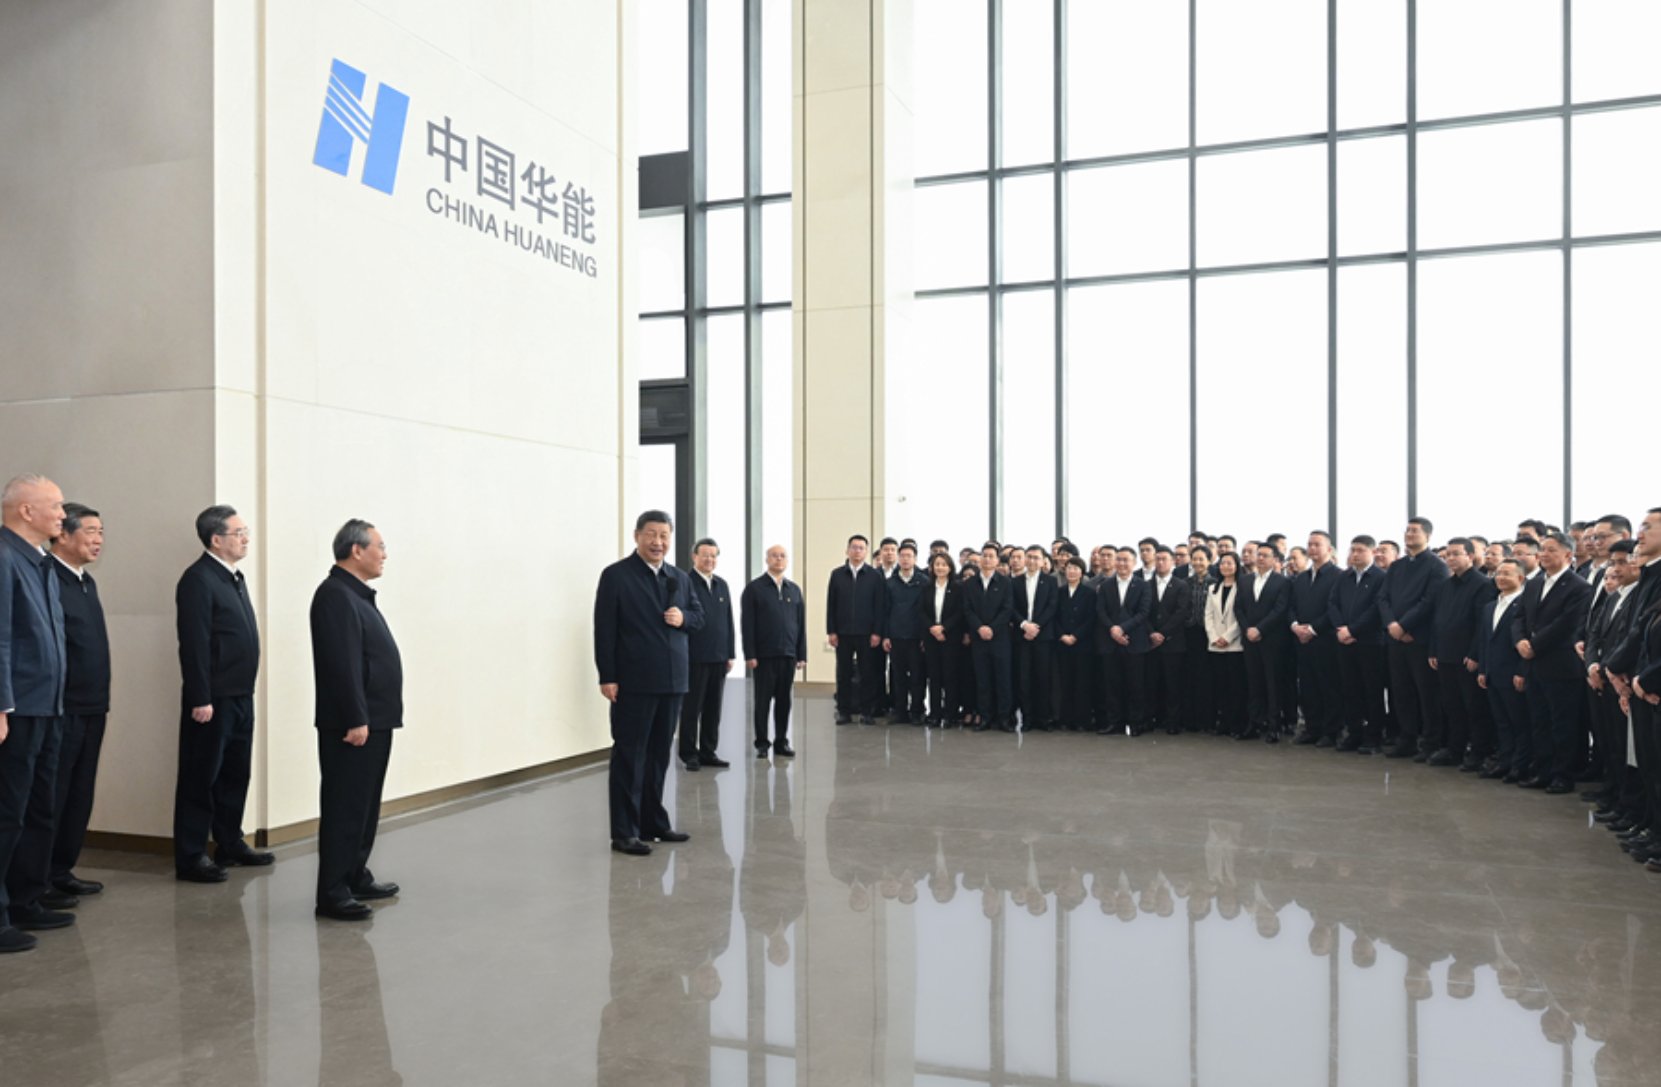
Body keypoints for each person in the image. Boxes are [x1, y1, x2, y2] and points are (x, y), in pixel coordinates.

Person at [594, 511, 705, 856]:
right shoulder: (616, 576)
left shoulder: (679, 578)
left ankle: (653, 822)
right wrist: (608, 675)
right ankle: (624, 832)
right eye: (651, 534)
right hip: (634, 681)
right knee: (630, 756)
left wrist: (683, 617)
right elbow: (604, 629)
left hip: (673, 681)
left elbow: (699, 617)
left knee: (658, 756)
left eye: (664, 535)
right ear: (637, 536)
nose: (658, 542)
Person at [308, 520, 403, 921]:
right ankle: (332, 893)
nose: (385, 554)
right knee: (345, 807)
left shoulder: (356, 594)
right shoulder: (335, 595)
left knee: (364, 806)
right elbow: (342, 664)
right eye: (380, 546)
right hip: (354, 724)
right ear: (356, 550)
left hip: (374, 719)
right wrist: (355, 717)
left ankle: (354, 874)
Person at [173, 504, 271, 883]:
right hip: (212, 699)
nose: (245, 538)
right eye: (238, 532)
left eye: (246, 531)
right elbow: (194, 643)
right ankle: (191, 855)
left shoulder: (233, 577)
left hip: (240, 694)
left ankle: (229, 842)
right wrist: (201, 697)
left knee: (235, 774)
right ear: (216, 539)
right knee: (201, 777)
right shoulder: (198, 579)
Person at [0, 474, 68, 951]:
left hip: (48, 707)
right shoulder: (4, 558)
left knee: (38, 808)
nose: (63, 514)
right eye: (56, 505)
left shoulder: (39, 561)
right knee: (7, 812)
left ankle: (26, 898)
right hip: (18, 710)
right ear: (26, 511)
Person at [45, 502, 110, 907]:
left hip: (93, 704)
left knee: (79, 793)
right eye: (90, 531)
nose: (98, 540)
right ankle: (38, 878)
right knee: (54, 794)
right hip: (62, 706)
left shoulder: (87, 582)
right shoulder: (48, 578)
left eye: (101, 532)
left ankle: (61, 869)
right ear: (62, 535)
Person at [1513, 531, 1592, 793]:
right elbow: (1519, 617)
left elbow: (1566, 624)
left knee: (1563, 724)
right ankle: (1543, 771)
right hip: (1533, 664)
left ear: (1568, 554)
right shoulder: (1534, 583)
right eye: (1542, 550)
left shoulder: (1579, 587)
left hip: (1561, 665)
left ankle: (1562, 775)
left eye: (1551, 550)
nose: (1543, 554)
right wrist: (1520, 641)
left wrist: (1534, 646)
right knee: (1539, 721)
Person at [1377, 517, 1449, 760]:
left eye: (1415, 531)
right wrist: (1392, 625)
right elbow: (1383, 598)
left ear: (1427, 535)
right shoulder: (1397, 566)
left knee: (1427, 694)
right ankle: (1406, 739)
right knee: (1401, 692)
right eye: (1407, 530)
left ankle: (1430, 742)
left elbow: (1429, 602)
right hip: (1395, 639)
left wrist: (1404, 625)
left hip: (1419, 639)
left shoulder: (1437, 566)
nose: (1409, 534)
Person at [1426, 538, 1496, 770]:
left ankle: (1478, 751)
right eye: (1448, 555)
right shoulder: (1445, 585)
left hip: (1467, 656)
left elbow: (1482, 623)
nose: (1451, 558)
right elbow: (1437, 620)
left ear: (1470, 556)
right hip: (1445, 654)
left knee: (1474, 707)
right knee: (1451, 705)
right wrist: (1433, 649)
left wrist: (1475, 654)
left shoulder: (1483, 584)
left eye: (1456, 554)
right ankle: (1454, 749)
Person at [740, 545, 807, 758]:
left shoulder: (794, 590)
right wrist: (750, 654)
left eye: (782, 556)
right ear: (767, 559)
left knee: (784, 701)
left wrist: (802, 654)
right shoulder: (754, 589)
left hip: (788, 654)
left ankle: (781, 741)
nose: (779, 559)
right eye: (774, 556)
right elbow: (747, 624)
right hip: (764, 656)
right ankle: (762, 743)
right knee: (763, 701)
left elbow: (800, 625)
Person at [679, 538, 734, 772]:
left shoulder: (722, 585)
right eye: (705, 555)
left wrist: (730, 653)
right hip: (695, 657)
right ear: (694, 557)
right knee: (692, 708)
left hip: (719, 657)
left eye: (713, 556)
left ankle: (708, 751)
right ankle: (689, 753)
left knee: (713, 708)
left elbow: (728, 621)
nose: (709, 560)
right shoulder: (685, 582)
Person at [1474, 559, 1531, 783]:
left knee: (1519, 723)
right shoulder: (1490, 606)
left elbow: (1526, 641)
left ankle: (1520, 766)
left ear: (1521, 578)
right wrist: (1483, 669)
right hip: (1493, 673)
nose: (1501, 578)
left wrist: (1522, 671)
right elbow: (1485, 640)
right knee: (1502, 722)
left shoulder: (1525, 604)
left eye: (1507, 574)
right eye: (1499, 573)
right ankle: (1505, 762)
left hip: (1513, 674)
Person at [1330, 535, 1387, 753]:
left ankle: (1373, 737)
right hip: (1344, 641)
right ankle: (1354, 733)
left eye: (1360, 550)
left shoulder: (1381, 577)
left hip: (1370, 642)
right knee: (1349, 688)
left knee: (1372, 690)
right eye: (1352, 550)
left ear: (1373, 552)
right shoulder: (1343, 577)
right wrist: (1341, 628)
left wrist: (1353, 630)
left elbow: (1376, 609)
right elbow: (1332, 603)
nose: (1355, 554)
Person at [825, 535, 885, 724]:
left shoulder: (875, 576)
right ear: (847, 550)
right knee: (843, 673)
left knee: (868, 673)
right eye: (854, 547)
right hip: (842, 633)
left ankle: (867, 711)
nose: (857, 551)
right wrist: (831, 631)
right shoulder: (837, 575)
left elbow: (879, 606)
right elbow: (831, 605)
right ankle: (844, 711)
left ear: (866, 552)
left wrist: (877, 632)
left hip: (867, 633)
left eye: (861, 548)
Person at [1289, 532, 1340, 746]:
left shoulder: (1338, 576)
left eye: (1317, 544)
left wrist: (1312, 629)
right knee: (1307, 687)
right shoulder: (1301, 578)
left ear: (1329, 549)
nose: (1312, 548)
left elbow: (1334, 608)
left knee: (1328, 686)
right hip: (1301, 640)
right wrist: (1295, 626)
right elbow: (1291, 606)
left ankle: (1331, 731)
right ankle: (1312, 728)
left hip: (1325, 640)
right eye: (1309, 544)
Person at [1095, 547, 1152, 736]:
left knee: (1136, 686)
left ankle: (1136, 723)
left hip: (1134, 642)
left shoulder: (1143, 585)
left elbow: (1143, 613)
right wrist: (1113, 629)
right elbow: (1101, 611)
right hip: (1110, 642)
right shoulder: (1106, 586)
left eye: (1126, 560)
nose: (1121, 563)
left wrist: (1122, 628)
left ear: (1134, 563)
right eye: (1118, 559)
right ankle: (1115, 723)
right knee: (1112, 685)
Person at [1239, 544, 1290, 743]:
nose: (1260, 558)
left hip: (1272, 640)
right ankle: (1254, 723)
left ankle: (1274, 726)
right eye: (1258, 555)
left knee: (1273, 684)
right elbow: (1238, 608)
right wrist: (1248, 629)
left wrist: (1260, 629)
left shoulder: (1282, 582)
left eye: (1265, 555)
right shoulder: (1245, 580)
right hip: (1249, 639)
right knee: (1254, 683)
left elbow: (1280, 609)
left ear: (1275, 559)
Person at [962, 542, 1015, 732]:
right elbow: (967, 609)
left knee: (1003, 679)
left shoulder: (1006, 583)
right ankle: (985, 717)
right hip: (978, 638)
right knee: (982, 679)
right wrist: (979, 628)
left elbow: (1007, 609)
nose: (987, 559)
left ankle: (1004, 718)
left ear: (997, 560)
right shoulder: (969, 584)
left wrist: (992, 628)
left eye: (991, 556)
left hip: (1000, 638)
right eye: (984, 555)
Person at [881, 544, 928, 724]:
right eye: (902, 556)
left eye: (909, 556)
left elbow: (927, 612)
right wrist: (886, 635)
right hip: (896, 636)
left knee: (917, 676)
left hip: (916, 637)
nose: (905, 559)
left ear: (915, 559)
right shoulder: (890, 583)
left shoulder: (924, 582)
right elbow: (885, 611)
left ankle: (917, 711)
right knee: (898, 677)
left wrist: (924, 637)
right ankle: (900, 711)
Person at [1014, 544, 1058, 732]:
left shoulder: (1050, 581)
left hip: (1043, 636)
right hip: (1022, 636)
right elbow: (1011, 608)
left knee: (1043, 678)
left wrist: (1036, 626)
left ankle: (1044, 718)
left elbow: (1052, 606)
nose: (1032, 561)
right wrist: (1025, 625)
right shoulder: (1015, 582)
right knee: (1024, 679)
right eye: (1029, 557)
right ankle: (1027, 719)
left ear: (1043, 561)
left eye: (1036, 558)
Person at [1147, 547, 1190, 735]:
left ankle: (1173, 721)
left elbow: (1181, 612)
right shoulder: (1146, 585)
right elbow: (1143, 612)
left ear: (1172, 562)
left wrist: (1162, 633)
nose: (1160, 562)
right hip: (1150, 642)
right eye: (1157, 559)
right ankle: (1153, 718)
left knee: (1173, 684)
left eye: (1164, 559)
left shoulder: (1181, 585)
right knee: (1152, 682)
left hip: (1173, 642)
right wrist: (1151, 632)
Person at [1205, 553, 1247, 739]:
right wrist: (1214, 637)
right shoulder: (1213, 588)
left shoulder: (1243, 588)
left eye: (1230, 563)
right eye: (1223, 563)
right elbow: (1208, 616)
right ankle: (1223, 722)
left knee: (1236, 686)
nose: (1226, 566)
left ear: (1237, 566)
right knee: (1220, 686)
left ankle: (1237, 724)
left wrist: (1228, 637)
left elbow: (1242, 615)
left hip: (1235, 644)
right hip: (1215, 645)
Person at [919, 552, 963, 727]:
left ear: (950, 567)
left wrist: (943, 627)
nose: (940, 567)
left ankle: (951, 714)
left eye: (944, 564)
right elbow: (921, 611)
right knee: (934, 676)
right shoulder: (926, 587)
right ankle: (935, 713)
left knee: (950, 676)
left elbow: (960, 612)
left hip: (951, 637)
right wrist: (933, 628)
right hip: (931, 637)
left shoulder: (958, 588)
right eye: (937, 564)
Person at [1054, 558, 1096, 732]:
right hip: (1062, 643)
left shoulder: (1090, 593)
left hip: (1082, 644)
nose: (1072, 571)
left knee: (1082, 682)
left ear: (1082, 572)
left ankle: (1082, 720)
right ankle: (1065, 719)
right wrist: (1062, 635)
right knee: (1065, 682)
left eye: (1076, 568)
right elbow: (1054, 616)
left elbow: (1091, 618)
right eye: (1069, 568)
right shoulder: (1059, 592)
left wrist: (1076, 636)